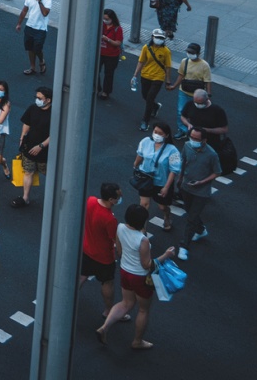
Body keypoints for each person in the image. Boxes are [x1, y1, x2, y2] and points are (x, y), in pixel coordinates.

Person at [96, 204, 176, 350]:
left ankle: (104, 327)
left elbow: (119, 251)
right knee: (143, 310)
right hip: (140, 277)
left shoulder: (120, 227)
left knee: (126, 302)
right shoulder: (142, 240)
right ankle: (137, 341)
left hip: (125, 271)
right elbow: (147, 264)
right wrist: (166, 255)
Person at [78, 184, 123, 318]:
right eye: (118, 197)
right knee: (107, 282)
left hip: (86, 249)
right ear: (111, 199)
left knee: (81, 276)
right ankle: (108, 310)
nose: (120, 198)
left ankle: (68, 299)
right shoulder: (110, 219)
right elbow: (114, 239)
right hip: (104, 257)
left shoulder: (90, 200)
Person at [177, 128, 220, 260]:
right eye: (192, 137)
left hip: (201, 192)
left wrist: (202, 182)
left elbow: (217, 172)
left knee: (191, 218)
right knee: (190, 211)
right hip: (186, 187)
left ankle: (184, 246)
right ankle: (200, 229)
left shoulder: (212, 154)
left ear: (204, 140)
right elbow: (183, 161)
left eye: (197, 139)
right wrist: (179, 179)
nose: (193, 141)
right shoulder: (187, 146)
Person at [133, 122, 181, 231]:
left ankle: (167, 216)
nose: (157, 135)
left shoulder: (172, 150)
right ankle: (143, 230)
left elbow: (174, 170)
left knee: (162, 206)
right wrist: (136, 165)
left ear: (167, 135)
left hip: (161, 183)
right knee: (144, 205)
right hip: (145, 180)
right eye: (155, 132)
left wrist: (166, 187)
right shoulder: (145, 142)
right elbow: (140, 154)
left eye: (161, 133)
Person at [11, 86, 53, 208]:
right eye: (36, 97)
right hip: (29, 147)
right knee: (28, 172)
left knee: (50, 175)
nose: (37, 100)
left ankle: (53, 199)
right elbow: (27, 123)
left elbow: (54, 133)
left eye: (40, 98)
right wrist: (22, 138)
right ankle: (25, 197)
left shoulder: (55, 114)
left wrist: (41, 146)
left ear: (48, 100)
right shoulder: (33, 108)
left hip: (45, 152)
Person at [167, 43, 211, 136]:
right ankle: (183, 130)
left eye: (192, 52)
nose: (189, 54)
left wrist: (208, 94)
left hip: (197, 95)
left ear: (198, 53)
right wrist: (174, 86)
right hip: (184, 91)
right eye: (188, 52)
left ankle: (194, 132)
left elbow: (207, 81)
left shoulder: (204, 65)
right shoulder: (185, 61)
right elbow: (181, 75)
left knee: (195, 114)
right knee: (180, 111)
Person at [133, 29, 172, 132]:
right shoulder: (146, 48)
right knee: (145, 95)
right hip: (145, 75)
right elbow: (141, 61)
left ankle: (145, 121)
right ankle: (155, 106)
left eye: (161, 38)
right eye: (157, 37)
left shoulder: (166, 51)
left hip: (158, 77)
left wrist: (168, 81)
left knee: (150, 97)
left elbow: (168, 67)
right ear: (152, 37)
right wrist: (135, 75)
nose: (159, 40)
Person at [14, 0, 51, 76]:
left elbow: (45, 13)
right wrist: (19, 23)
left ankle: (41, 61)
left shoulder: (47, 1)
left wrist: (40, 2)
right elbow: (24, 10)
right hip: (29, 27)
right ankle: (32, 67)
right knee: (30, 48)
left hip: (41, 29)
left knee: (37, 48)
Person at [98, 9, 124, 99]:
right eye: (104, 18)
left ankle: (106, 91)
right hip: (100, 53)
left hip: (111, 55)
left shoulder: (117, 29)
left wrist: (107, 39)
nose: (105, 21)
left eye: (107, 19)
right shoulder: (101, 25)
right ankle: (97, 87)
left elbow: (118, 43)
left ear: (112, 19)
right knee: (95, 71)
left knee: (108, 74)